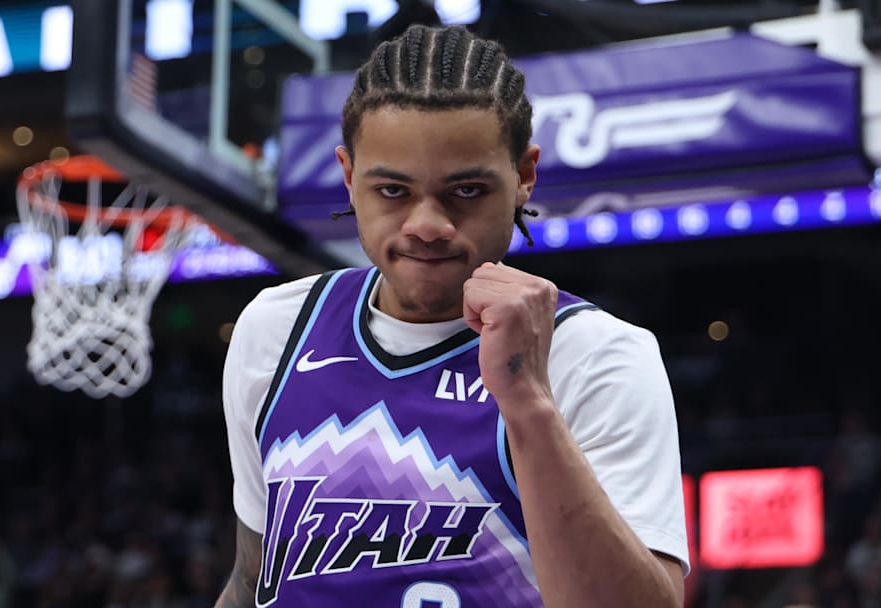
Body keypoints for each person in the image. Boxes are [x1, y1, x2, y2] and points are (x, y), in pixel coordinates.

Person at [218, 24, 688, 607]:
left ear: (525, 176)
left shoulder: (598, 355)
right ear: (348, 175)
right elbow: (250, 582)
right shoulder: (276, 327)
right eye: (393, 191)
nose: (427, 224)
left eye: (465, 191)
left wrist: (528, 403)